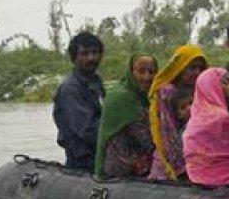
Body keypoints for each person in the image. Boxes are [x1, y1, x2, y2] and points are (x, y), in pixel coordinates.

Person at [149, 45, 208, 181]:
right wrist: (181, 167)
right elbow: (167, 132)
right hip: (172, 164)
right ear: (180, 68)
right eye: (192, 68)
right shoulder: (167, 93)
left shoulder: (199, 90)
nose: (197, 72)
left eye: (200, 68)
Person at [94, 54, 157, 178]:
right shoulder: (120, 98)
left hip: (142, 167)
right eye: (141, 71)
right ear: (131, 72)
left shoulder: (148, 97)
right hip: (120, 171)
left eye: (151, 72)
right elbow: (148, 140)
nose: (147, 77)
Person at [183, 68, 229, 188]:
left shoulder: (195, 117)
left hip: (197, 180)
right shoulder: (220, 117)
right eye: (226, 82)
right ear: (211, 86)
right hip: (227, 179)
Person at [53, 31, 105, 171]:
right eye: (84, 53)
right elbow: (88, 130)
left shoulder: (96, 81)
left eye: (95, 52)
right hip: (82, 160)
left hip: (99, 156)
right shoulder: (71, 88)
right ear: (74, 57)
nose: (91, 58)